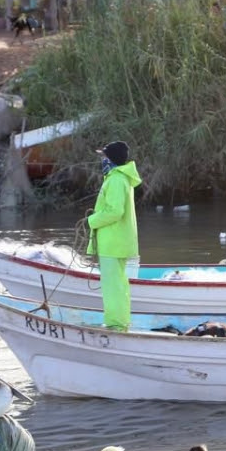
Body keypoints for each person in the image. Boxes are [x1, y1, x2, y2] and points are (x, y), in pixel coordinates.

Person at [86, 141, 142, 330]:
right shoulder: (119, 178)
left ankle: (116, 326)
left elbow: (115, 211)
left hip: (112, 243)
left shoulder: (116, 179)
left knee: (113, 288)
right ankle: (121, 323)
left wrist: (91, 221)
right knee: (118, 287)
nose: (102, 160)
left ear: (111, 159)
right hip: (116, 242)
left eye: (104, 156)